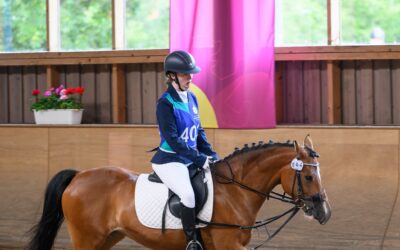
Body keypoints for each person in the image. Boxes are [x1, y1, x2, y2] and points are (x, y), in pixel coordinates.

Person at [151, 50, 218, 250]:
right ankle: (192, 241)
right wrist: (199, 159)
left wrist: (212, 156)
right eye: (185, 74)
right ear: (172, 76)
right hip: (170, 160)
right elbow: (172, 140)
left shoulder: (192, 98)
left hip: (190, 158)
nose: (190, 78)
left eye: (190, 74)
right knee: (188, 195)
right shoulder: (165, 103)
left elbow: (199, 132)